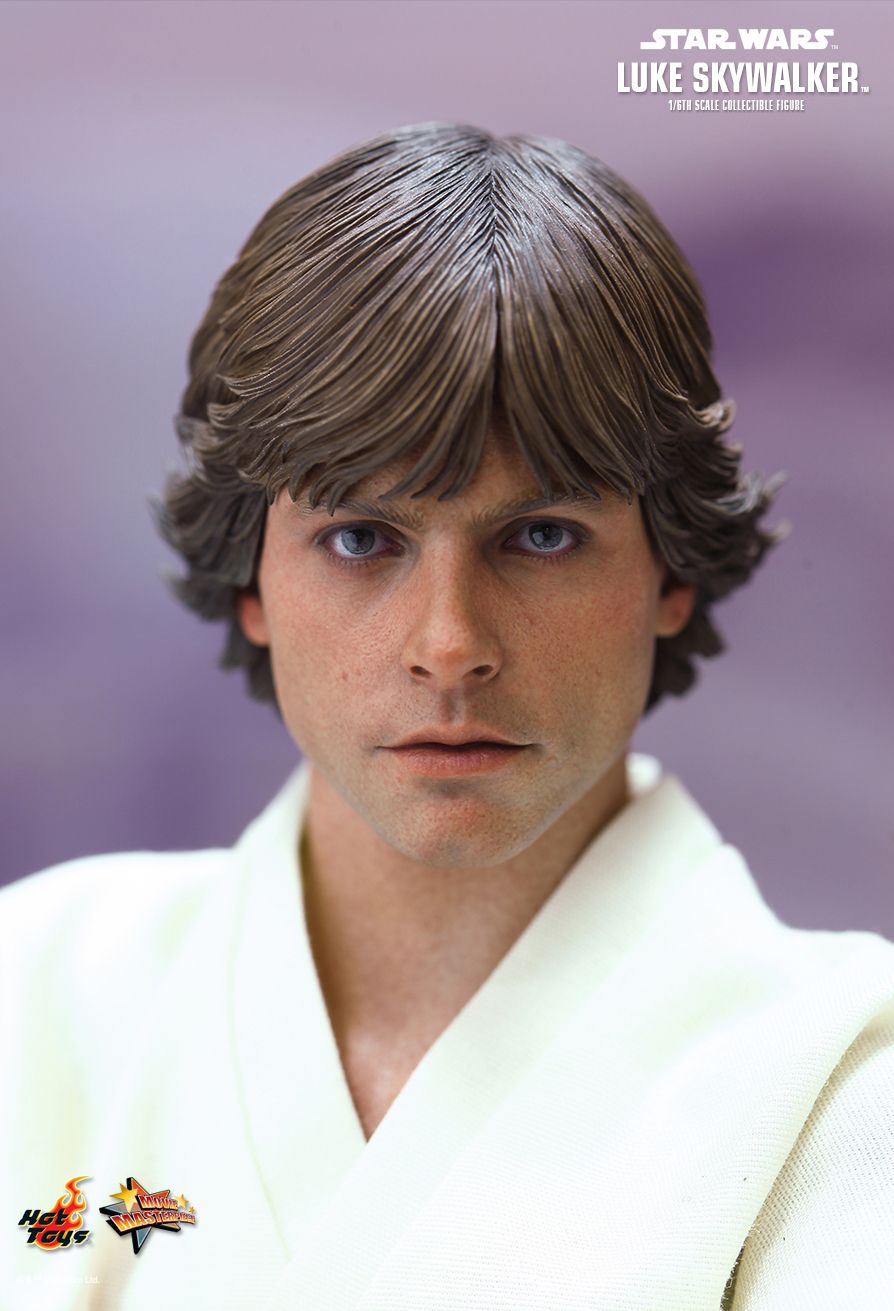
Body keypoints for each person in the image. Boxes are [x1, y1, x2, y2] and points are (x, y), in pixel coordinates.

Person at [2, 122, 892, 1310]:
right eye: (360, 539)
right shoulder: (33, 994)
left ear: (670, 572)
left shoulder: (846, 1090)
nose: (450, 643)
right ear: (252, 578)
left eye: (543, 536)